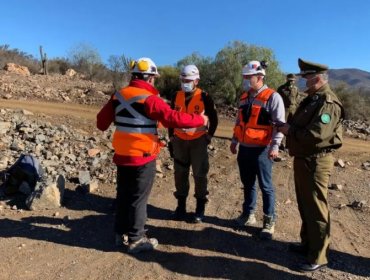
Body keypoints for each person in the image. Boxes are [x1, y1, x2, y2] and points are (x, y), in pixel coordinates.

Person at [96, 57, 208, 254]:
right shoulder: (150, 99)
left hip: (122, 155)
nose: (154, 81)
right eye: (154, 78)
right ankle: (137, 239)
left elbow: (101, 123)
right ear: (149, 78)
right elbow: (173, 118)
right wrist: (200, 119)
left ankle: (118, 234)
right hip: (143, 157)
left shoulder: (118, 96)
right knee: (138, 199)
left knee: (123, 195)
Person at [277, 58, 344, 272]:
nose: (303, 81)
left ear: (316, 78)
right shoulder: (313, 99)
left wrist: (289, 131)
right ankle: (308, 244)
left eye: (306, 77)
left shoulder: (327, 102)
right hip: (305, 159)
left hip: (316, 160)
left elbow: (317, 135)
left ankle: (318, 255)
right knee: (305, 204)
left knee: (316, 208)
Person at [230, 60, 285, 240]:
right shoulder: (245, 97)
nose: (245, 80)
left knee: (266, 186)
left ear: (260, 77)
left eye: (248, 77)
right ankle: (248, 215)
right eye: (244, 77)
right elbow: (239, 121)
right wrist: (234, 140)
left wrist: (275, 146)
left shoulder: (273, 97)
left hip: (263, 149)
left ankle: (269, 221)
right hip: (244, 148)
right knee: (248, 184)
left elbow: (279, 125)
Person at [168, 65, 218, 223]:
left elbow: (214, 118)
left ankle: (200, 208)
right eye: (183, 80)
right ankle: (181, 207)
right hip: (179, 142)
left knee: (200, 175)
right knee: (180, 174)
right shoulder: (176, 95)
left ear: (196, 80)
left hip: (198, 142)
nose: (185, 83)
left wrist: (209, 136)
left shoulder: (204, 96)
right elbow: (170, 118)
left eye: (188, 80)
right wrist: (171, 137)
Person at [277, 74, 299, 150]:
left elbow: (297, 99)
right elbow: (278, 99)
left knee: (292, 127)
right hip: (284, 109)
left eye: (292, 81)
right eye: (290, 80)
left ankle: (289, 144)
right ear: (287, 80)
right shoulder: (281, 89)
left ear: (294, 81)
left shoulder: (295, 89)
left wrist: (296, 108)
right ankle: (281, 144)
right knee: (283, 126)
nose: (291, 82)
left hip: (293, 109)